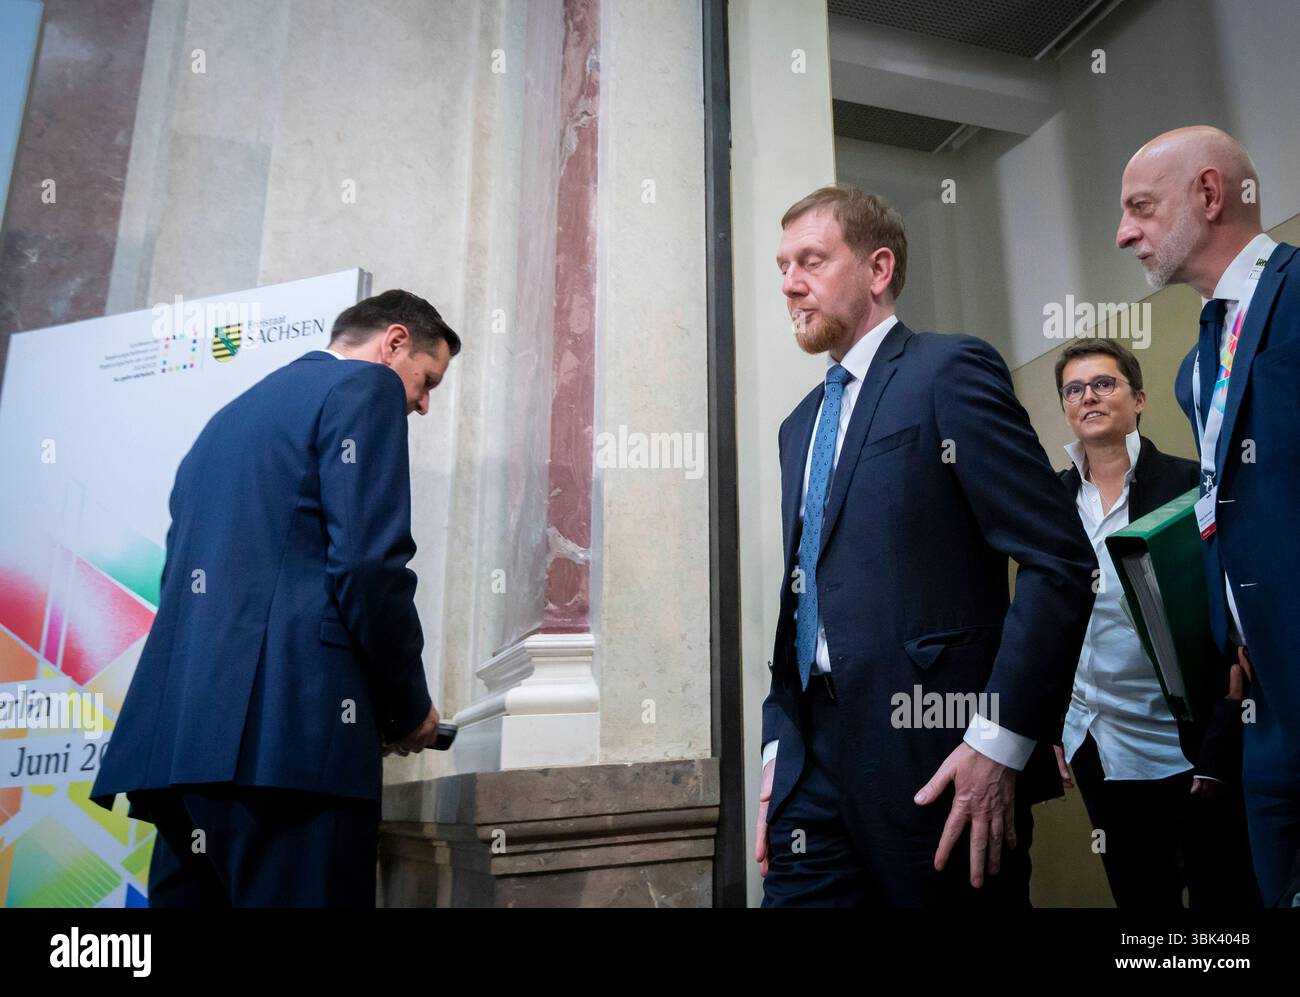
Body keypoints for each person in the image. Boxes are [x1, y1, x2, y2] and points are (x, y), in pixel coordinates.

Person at [756, 184, 1096, 907]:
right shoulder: (797, 427)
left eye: (810, 260)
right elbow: (806, 596)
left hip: (936, 758)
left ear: (878, 270)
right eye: (783, 265)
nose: (788, 283)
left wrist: (1000, 740)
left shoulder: (949, 371)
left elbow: (1058, 560)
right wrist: (778, 742)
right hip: (811, 769)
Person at [91, 289, 457, 907]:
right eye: (427, 382)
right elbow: (368, 565)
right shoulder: (364, 389)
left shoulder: (225, 421)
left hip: (183, 753)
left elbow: (180, 582)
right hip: (292, 751)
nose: (420, 405)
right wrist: (406, 707)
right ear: (394, 342)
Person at [1117, 126, 1300, 907]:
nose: (1124, 233)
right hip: (1262, 706)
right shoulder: (1198, 367)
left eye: (1141, 208)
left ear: (1209, 194)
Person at [1051, 337, 1256, 908]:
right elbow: (1042, 622)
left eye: (1104, 383)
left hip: (1187, 741)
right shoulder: (1050, 501)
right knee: (1142, 903)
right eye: (1074, 389)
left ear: (1138, 399)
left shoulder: (1191, 485)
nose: (1088, 396)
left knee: (1223, 901)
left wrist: (1220, 743)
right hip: (1098, 740)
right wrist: (1050, 722)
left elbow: (1231, 616)